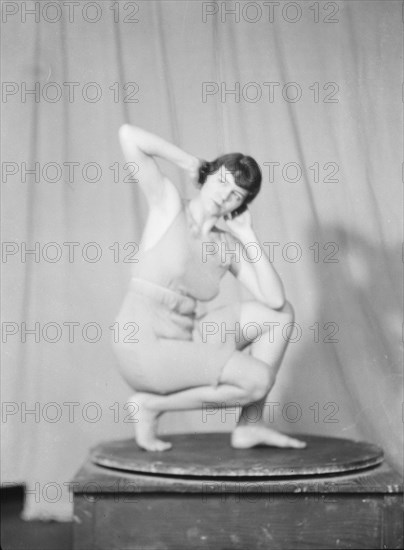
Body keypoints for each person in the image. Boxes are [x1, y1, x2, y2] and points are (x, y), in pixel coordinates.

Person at [113, 124, 306, 452]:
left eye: (236, 195)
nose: (224, 195)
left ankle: (250, 426)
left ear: (240, 206)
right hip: (144, 342)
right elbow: (128, 136)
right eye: (221, 181)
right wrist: (190, 162)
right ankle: (150, 406)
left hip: (185, 338)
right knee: (257, 380)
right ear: (208, 175)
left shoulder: (225, 244)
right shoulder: (168, 205)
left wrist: (248, 236)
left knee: (282, 314)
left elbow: (274, 300)